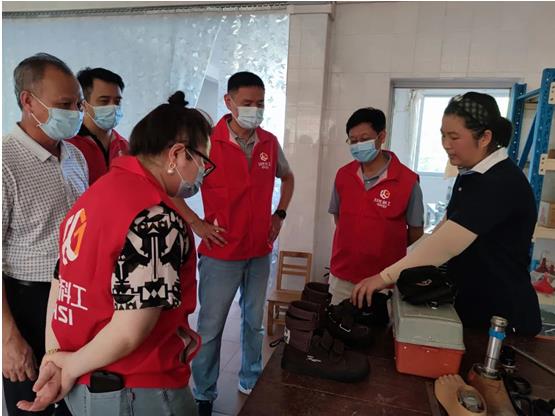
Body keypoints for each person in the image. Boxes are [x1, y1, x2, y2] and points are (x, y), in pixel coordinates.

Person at [17, 91, 211, 415]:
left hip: (84, 386)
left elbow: (60, 284)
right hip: (138, 391)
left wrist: (56, 358)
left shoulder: (94, 196)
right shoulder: (154, 218)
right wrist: (67, 366)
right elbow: (130, 331)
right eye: (203, 161)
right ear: (177, 155)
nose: (203, 172)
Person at [352, 92, 542, 336]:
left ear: (485, 137)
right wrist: (398, 267)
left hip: (502, 318)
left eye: (454, 137)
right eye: (443, 135)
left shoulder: (500, 182)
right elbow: (442, 230)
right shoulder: (470, 175)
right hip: (472, 306)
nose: (446, 144)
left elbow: (447, 244)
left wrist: (384, 277)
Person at [192, 71, 295, 415]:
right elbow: (173, 187)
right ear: (229, 102)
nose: (255, 110)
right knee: (210, 328)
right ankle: (203, 393)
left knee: (253, 323)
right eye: (247, 103)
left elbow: (288, 176)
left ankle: (250, 379)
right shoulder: (208, 143)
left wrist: (279, 214)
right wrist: (196, 224)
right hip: (221, 254)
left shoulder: (269, 142)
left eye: (260, 103)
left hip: (259, 250)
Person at [2, 52, 88, 416]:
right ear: (28, 101)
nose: (75, 113)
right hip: (27, 303)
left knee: (73, 402)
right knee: (30, 404)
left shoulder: (75, 157)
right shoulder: (5, 162)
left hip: (74, 299)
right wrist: (8, 337)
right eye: (64, 105)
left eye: (78, 104)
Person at [328, 107, 424, 305]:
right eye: (353, 141)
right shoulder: (344, 175)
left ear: (381, 137)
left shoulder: (407, 181)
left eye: (364, 139)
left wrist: (386, 245)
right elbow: (339, 219)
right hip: (343, 276)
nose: (358, 145)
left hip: (383, 281)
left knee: (378, 325)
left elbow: (416, 232)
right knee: (337, 322)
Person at [67, 67, 128, 185]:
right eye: (104, 101)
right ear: (84, 104)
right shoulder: (68, 145)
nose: (113, 107)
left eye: (117, 101)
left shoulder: (125, 146)